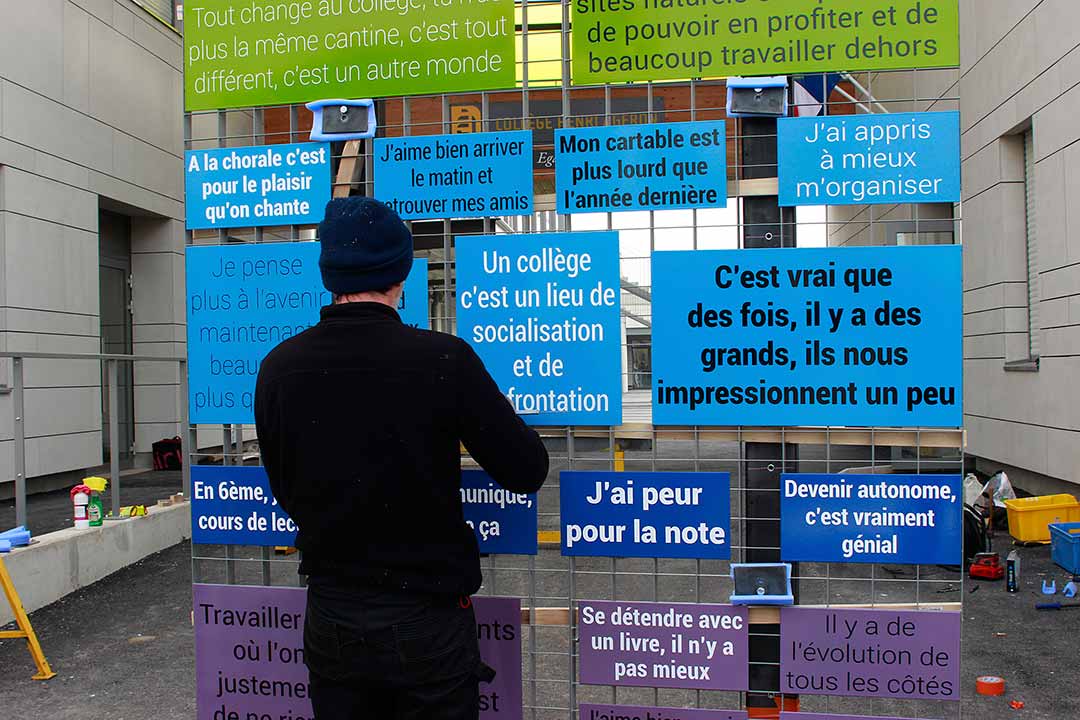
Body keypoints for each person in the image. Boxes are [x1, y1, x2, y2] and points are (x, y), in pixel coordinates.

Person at [254, 197, 549, 720]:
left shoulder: (279, 367)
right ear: (402, 272)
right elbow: (527, 468)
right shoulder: (442, 359)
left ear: (329, 274)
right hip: (427, 620)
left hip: (332, 615)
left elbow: (286, 488)